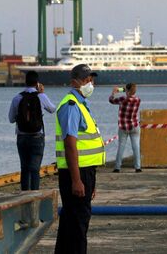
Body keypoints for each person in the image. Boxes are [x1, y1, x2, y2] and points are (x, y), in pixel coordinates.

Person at [55, 64, 106, 254]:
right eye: (86, 80)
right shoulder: (71, 106)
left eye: (91, 80)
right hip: (75, 173)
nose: (90, 84)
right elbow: (70, 144)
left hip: (84, 172)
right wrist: (77, 180)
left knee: (70, 223)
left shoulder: (81, 104)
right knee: (78, 226)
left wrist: (91, 182)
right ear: (74, 82)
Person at [8, 70, 55, 190]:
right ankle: (34, 196)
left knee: (24, 168)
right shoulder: (41, 96)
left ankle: (24, 196)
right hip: (37, 137)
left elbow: (11, 119)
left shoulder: (17, 98)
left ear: (25, 82)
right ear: (37, 83)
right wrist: (42, 93)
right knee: (35, 169)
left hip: (22, 137)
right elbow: (52, 109)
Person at [109, 82, 142, 173]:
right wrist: (127, 91)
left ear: (127, 90)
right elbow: (130, 97)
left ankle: (117, 167)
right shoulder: (138, 100)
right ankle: (138, 167)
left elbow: (111, 100)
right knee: (136, 147)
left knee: (121, 147)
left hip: (123, 127)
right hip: (135, 126)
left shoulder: (123, 99)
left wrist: (114, 92)